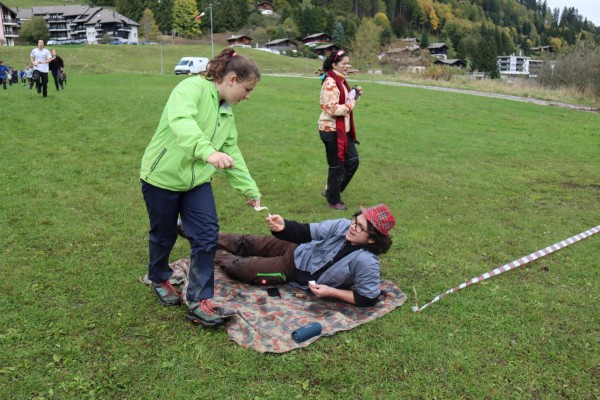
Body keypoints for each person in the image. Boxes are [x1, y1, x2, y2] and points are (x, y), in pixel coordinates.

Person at [140, 48, 263, 327]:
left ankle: (198, 299)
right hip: (162, 177)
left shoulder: (226, 111)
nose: (248, 96)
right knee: (163, 235)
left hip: (197, 182)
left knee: (207, 236)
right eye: (247, 89)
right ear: (231, 79)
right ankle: (158, 277)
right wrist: (208, 153)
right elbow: (182, 123)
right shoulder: (190, 89)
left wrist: (250, 189)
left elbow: (231, 151)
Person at [212, 203, 395, 307]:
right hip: (298, 247)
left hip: (292, 269)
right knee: (248, 242)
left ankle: (211, 252)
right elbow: (309, 231)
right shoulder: (343, 225)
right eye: (355, 221)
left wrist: (331, 292)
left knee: (240, 267)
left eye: (360, 227)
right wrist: (284, 226)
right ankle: (206, 238)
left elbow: (368, 297)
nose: (353, 227)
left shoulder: (366, 262)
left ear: (372, 238)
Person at [318, 49, 363, 211]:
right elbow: (333, 109)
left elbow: (345, 100)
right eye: (344, 63)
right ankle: (333, 200)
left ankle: (331, 191)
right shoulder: (330, 82)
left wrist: (354, 95)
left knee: (353, 161)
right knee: (337, 166)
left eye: (348, 63)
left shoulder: (341, 80)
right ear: (334, 64)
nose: (347, 66)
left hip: (343, 130)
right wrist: (351, 103)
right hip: (331, 130)